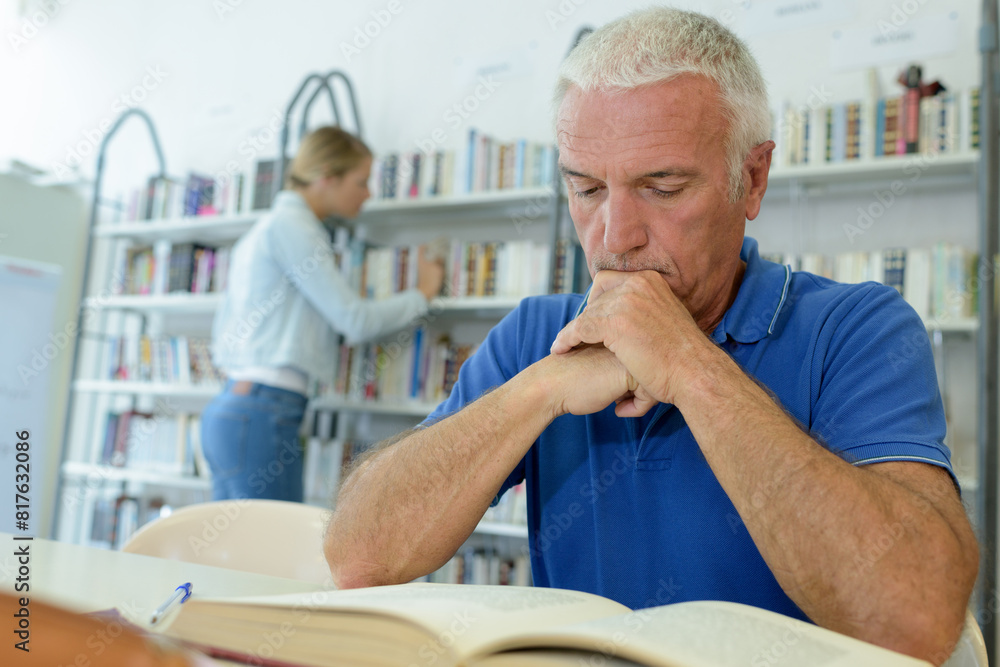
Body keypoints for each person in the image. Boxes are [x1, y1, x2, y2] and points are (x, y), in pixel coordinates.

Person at [323, 8, 978, 665]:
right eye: (585, 188)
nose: (614, 236)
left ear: (751, 179)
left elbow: (915, 617)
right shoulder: (538, 334)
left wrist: (693, 370)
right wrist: (542, 389)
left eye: (661, 188)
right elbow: (357, 554)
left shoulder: (856, 329)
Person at [202, 125, 444, 502]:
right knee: (269, 556)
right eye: (361, 181)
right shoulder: (294, 228)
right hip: (263, 410)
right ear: (327, 178)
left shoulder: (267, 228)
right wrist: (423, 294)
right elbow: (355, 321)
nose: (368, 193)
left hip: (239, 408)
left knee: (235, 554)